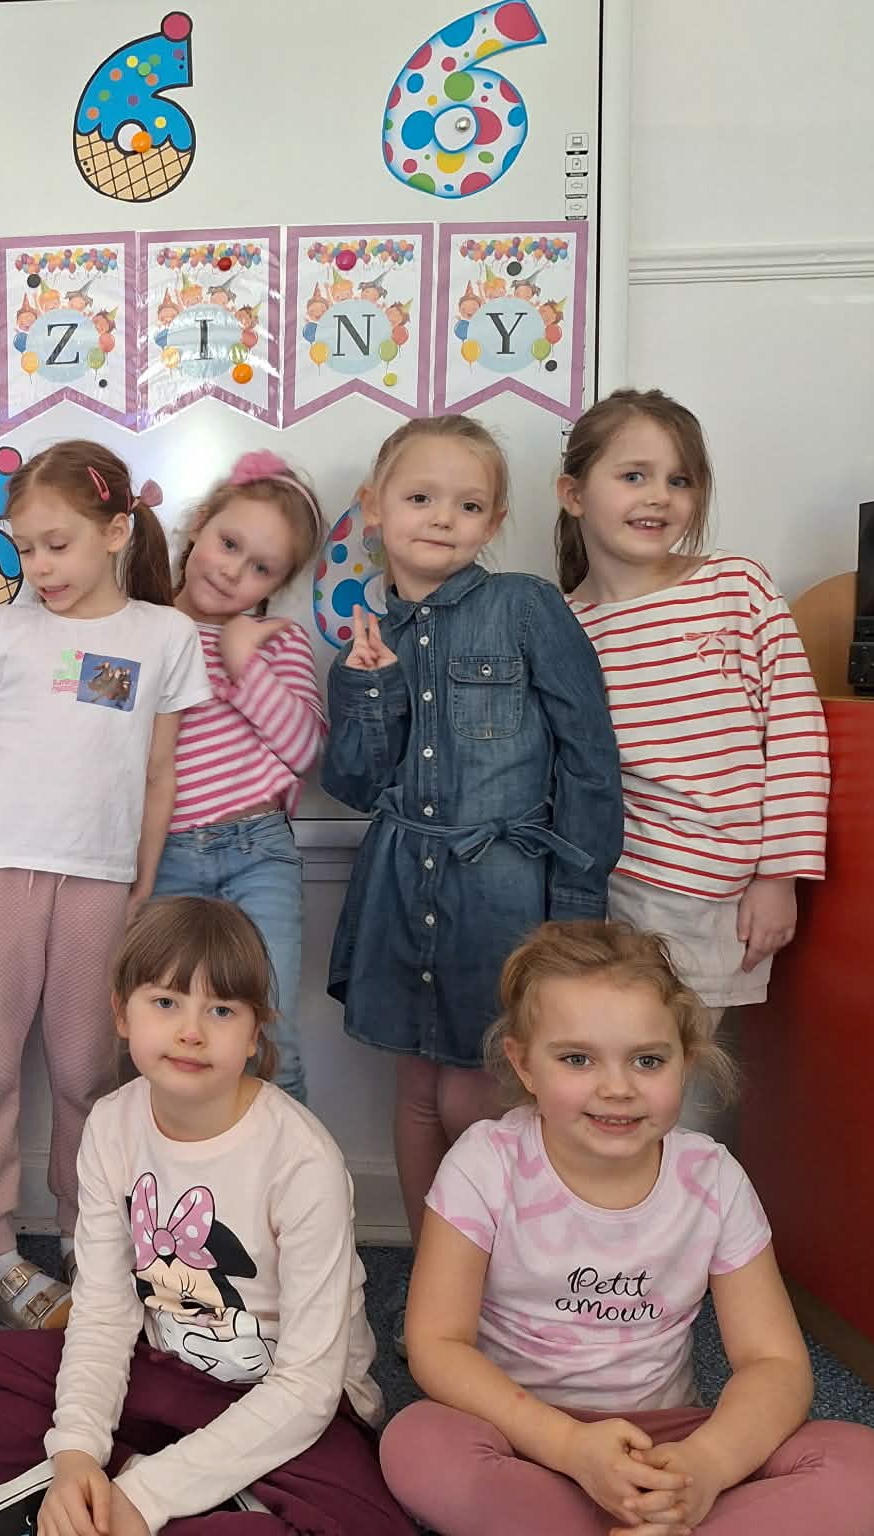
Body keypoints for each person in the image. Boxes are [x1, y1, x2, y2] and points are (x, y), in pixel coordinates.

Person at [382, 920, 874, 1536]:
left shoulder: (713, 1179)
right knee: (419, 1442)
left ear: (685, 1061)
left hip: (670, 1446)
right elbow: (437, 1344)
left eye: (648, 1060)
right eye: (577, 1059)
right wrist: (569, 1447)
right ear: (524, 1065)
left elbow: (773, 1362)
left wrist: (705, 1467)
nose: (618, 1088)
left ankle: (654, 1518)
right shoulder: (484, 1164)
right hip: (522, 1435)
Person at [0, 898, 412, 1536]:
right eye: (166, 1002)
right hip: (164, 1373)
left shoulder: (303, 1160)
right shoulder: (111, 1124)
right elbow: (104, 1313)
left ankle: (145, 1495)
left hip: (292, 1404)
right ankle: (137, 1488)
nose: (191, 1031)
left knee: (371, 1523)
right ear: (122, 1013)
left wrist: (144, 1495)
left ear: (255, 1033)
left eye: (221, 1010)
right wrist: (77, 1453)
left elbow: (308, 1386)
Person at [0, 439, 209, 1330]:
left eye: (57, 544)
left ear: (116, 532)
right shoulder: (4, 630)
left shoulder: (164, 634)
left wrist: (143, 877)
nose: (39, 566)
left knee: (88, 1073)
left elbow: (159, 772)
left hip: (100, 882)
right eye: (25, 549)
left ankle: (88, 1240)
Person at [323, 415, 622, 1265]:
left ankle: (503, 1274)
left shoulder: (524, 605)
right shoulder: (370, 640)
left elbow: (590, 756)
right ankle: (435, 1280)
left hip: (503, 894)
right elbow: (355, 785)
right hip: (401, 885)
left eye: (468, 504)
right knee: (418, 1093)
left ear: (493, 522)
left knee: (479, 1095)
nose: (442, 518)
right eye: (420, 498)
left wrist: (577, 911)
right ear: (374, 507)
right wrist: (367, 691)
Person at [557, 389, 829, 1134]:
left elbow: (797, 735)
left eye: (680, 480)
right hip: (617, 892)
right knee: (611, 1077)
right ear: (574, 493)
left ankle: (687, 1206)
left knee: (682, 1089)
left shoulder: (736, 586)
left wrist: (779, 875)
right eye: (634, 475)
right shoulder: (564, 624)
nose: (660, 496)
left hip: (720, 894)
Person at [155, 449, 329, 1104]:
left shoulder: (275, 640)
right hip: (162, 857)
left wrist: (242, 662)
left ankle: (290, 1173)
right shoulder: (141, 628)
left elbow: (304, 749)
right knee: (165, 1039)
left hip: (257, 851)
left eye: (262, 568)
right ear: (200, 523)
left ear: (278, 583)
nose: (233, 572)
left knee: (269, 1040)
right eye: (229, 544)